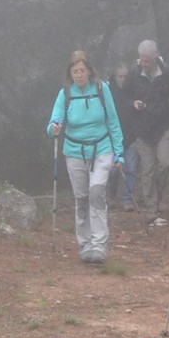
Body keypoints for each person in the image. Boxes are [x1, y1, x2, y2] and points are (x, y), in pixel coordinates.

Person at [46, 50, 126, 264]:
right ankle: (85, 244)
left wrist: (119, 152)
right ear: (70, 74)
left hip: (102, 149)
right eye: (75, 71)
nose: (79, 75)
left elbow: (113, 121)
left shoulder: (101, 89)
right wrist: (54, 128)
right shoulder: (65, 93)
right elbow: (54, 122)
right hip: (74, 152)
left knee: (96, 192)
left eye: (82, 70)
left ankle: (99, 244)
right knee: (82, 199)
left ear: (89, 71)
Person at [122, 40, 169, 214]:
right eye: (141, 59)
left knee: (166, 163)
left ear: (155, 58)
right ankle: (151, 209)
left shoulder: (167, 72)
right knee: (148, 169)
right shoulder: (134, 73)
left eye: (147, 60)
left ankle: (155, 196)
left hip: (163, 126)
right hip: (142, 129)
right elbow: (124, 95)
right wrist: (133, 103)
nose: (143, 63)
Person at [110, 62, 138, 209]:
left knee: (131, 168)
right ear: (115, 76)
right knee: (113, 169)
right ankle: (111, 193)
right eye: (120, 76)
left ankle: (127, 198)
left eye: (125, 76)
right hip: (113, 137)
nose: (122, 79)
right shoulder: (108, 91)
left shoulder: (133, 90)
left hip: (131, 135)